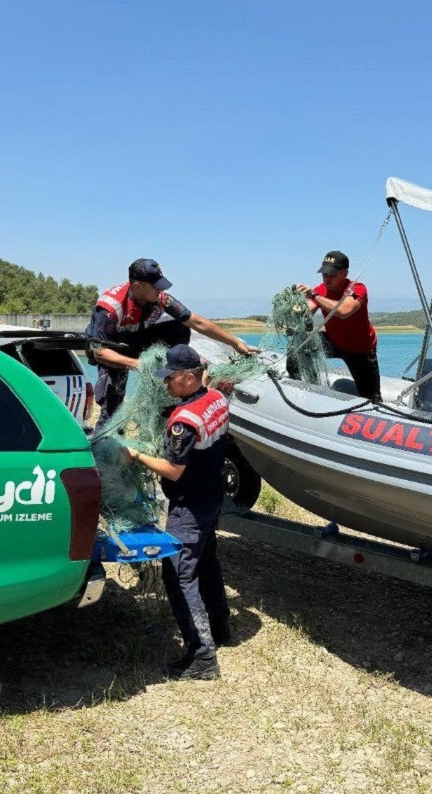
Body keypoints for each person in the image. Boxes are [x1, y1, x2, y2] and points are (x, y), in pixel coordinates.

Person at [124, 344, 231, 681]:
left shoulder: (183, 423)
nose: (165, 382)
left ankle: (202, 657)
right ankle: (220, 626)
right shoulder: (214, 398)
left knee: (178, 573)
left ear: (188, 376)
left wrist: (136, 455)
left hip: (189, 504)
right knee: (207, 559)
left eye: (170, 377)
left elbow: (172, 471)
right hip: (213, 495)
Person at [86, 258, 258, 426]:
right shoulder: (110, 308)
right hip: (113, 349)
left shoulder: (159, 298)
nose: (160, 291)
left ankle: (169, 377)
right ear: (137, 286)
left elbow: (197, 322)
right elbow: (99, 352)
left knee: (179, 326)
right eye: (156, 287)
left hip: (137, 338)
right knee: (112, 403)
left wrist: (234, 343)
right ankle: (102, 446)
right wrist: (140, 364)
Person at [291, 250, 382, 402]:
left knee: (371, 397)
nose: (326, 278)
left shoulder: (358, 289)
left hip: (360, 348)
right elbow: (309, 309)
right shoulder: (320, 290)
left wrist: (313, 295)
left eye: (331, 274)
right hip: (333, 341)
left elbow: (343, 311)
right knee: (298, 346)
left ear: (344, 273)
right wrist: (298, 304)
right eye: (324, 274)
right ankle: (293, 384)